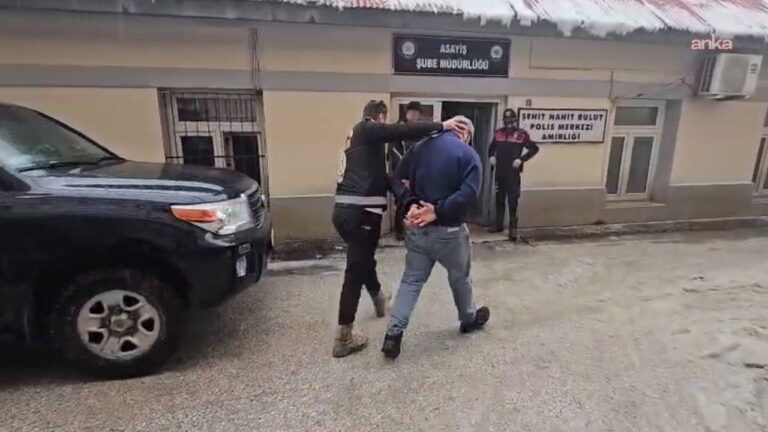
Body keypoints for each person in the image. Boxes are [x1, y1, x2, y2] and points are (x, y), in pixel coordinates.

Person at [332, 100, 467, 358]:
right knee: (355, 271)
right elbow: (401, 130)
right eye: (386, 122)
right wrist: (442, 125)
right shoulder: (366, 128)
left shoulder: (360, 147)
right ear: (381, 118)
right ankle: (343, 337)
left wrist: (410, 201)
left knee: (362, 260)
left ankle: (378, 299)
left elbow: (385, 180)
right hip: (360, 213)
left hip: (345, 212)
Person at [381, 116, 490, 360]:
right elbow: (469, 193)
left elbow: (395, 179)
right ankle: (468, 319)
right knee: (460, 277)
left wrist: (410, 203)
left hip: (417, 229)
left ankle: (392, 335)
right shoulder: (469, 155)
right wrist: (438, 211)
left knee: (411, 281)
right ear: (466, 135)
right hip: (450, 233)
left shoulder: (419, 148)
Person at [487, 108, 540, 241]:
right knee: (499, 199)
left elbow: (534, 149)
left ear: (515, 120)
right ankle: (498, 225)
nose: (508, 122)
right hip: (500, 171)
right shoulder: (498, 133)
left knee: (512, 201)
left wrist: (521, 159)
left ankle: (513, 229)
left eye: (510, 119)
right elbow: (491, 149)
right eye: (506, 119)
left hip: (513, 173)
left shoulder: (521, 135)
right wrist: (491, 156)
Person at [388, 101, 423, 241]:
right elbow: (393, 150)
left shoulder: (419, 131)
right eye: (412, 113)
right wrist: (404, 170)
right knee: (401, 201)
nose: (414, 116)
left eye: (416, 113)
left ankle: (413, 228)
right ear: (406, 113)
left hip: (415, 174)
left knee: (415, 201)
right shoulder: (400, 129)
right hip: (400, 174)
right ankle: (399, 231)